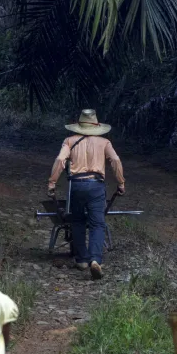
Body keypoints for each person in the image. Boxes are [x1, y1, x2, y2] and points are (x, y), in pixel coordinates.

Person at [47, 109, 126, 280]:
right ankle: (95, 260)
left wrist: (52, 183)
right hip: (96, 186)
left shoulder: (69, 141)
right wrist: (120, 183)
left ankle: (82, 260)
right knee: (97, 224)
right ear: (96, 125)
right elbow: (116, 160)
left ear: (79, 125)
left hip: (76, 185)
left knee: (77, 221)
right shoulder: (105, 142)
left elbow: (61, 160)